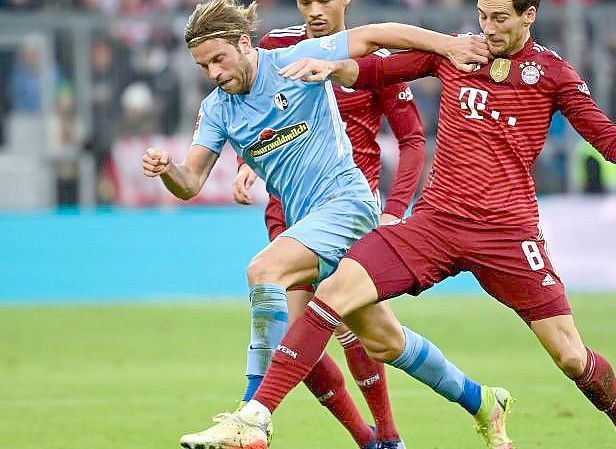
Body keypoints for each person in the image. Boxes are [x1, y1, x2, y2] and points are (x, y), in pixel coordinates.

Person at [177, 0, 616, 448]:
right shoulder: (456, 56)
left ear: (528, 16)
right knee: (331, 296)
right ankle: (257, 417)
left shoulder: (554, 75)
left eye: (499, 18)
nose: (487, 28)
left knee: (570, 356)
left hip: (508, 233)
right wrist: (334, 68)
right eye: (482, 14)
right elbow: (375, 67)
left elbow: (611, 143)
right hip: (437, 223)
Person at [139, 1, 488, 448]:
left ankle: (251, 415)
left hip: (347, 204)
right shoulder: (217, 109)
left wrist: (449, 45)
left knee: (264, 271)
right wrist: (167, 167)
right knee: (385, 341)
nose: (213, 72)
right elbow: (189, 182)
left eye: (218, 59)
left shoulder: (291, 60)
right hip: (308, 223)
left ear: (244, 44)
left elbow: (377, 34)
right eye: (203, 65)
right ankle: (482, 400)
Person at [230, 0, 427, 447]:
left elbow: (413, 139)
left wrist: (396, 210)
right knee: (296, 331)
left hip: (348, 206)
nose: (314, 8)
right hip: (289, 209)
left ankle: (388, 434)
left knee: (350, 322)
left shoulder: (372, 60)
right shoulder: (275, 47)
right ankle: (368, 438)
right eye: (304, 1)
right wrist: (249, 163)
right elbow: (254, 119)